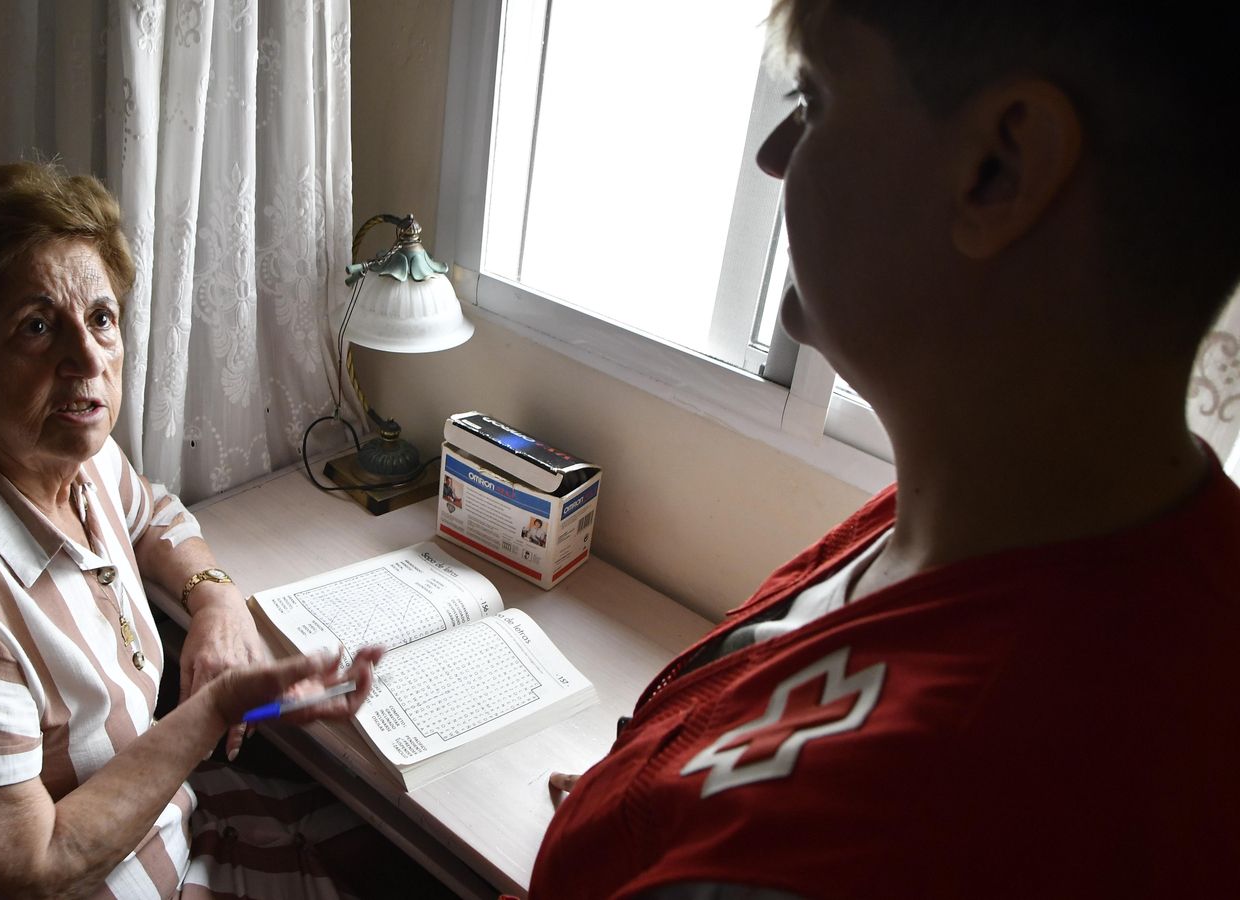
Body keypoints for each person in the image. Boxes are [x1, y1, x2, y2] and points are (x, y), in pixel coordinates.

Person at [531, 2, 1240, 898]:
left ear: (999, 168)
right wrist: (640, 807)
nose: (773, 154)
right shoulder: (989, 511)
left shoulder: (896, 827)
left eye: (815, 99)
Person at [0, 162, 384, 899]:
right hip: (106, 877)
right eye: (37, 327)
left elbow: (155, 514)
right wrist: (217, 710)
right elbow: (25, 871)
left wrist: (214, 600)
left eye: (101, 319)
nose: (87, 360)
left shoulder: (63, 450)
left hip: (173, 833)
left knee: (406, 856)